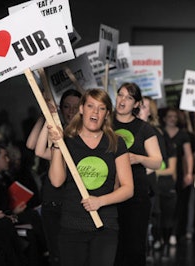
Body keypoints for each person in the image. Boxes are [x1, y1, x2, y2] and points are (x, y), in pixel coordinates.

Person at [46, 88, 134, 266]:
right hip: (71, 225)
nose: (95, 112)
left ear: (107, 114)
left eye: (101, 108)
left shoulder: (116, 143)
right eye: (90, 106)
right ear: (81, 109)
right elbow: (56, 181)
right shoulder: (68, 141)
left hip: (105, 225)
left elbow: (128, 188)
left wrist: (100, 201)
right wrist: (57, 145)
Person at [26, 88, 82, 266]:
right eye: (66, 106)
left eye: (76, 106)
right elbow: (35, 147)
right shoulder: (58, 130)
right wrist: (47, 114)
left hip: (75, 204)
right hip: (52, 202)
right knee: (56, 257)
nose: (71, 111)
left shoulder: (87, 136)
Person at [113, 83, 162, 266]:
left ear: (136, 104)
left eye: (129, 97)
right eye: (120, 95)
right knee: (114, 247)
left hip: (136, 196)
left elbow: (157, 161)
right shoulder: (105, 123)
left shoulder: (144, 128)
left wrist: (138, 158)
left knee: (134, 247)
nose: (122, 100)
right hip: (109, 192)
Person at [137, 96, 177, 258]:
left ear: (150, 111)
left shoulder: (153, 132)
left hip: (147, 183)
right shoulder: (134, 128)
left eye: (145, 106)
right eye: (139, 106)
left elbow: (159, 162)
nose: (140, 109)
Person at [162, 107, 194, 244]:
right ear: (164, 118)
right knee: (162, 204)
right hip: (162, 172)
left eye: (175, 116)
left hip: (178, 172)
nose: (172, 119)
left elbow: (189, 155)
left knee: (178, 203)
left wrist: (189, 173)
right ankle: (162, 234)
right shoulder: (159, 133)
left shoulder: (183, 135)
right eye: (170, 116)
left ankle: (175, 232)